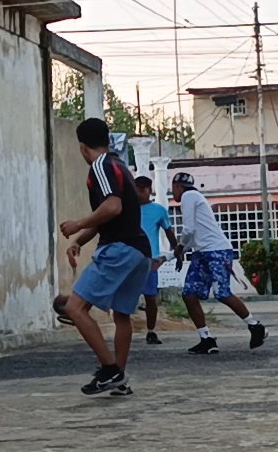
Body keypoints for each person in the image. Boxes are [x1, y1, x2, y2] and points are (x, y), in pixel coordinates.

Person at [58, 117, 148, 396]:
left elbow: (112, 207)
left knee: (74, 308)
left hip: (118, 249)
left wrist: (77, 224)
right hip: (139, 250)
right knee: (122, 315)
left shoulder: (100, 166)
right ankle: (119, 381)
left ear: (83, 147)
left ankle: (110, 369)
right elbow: (108, 216)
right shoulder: (119, 165)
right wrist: (81, 241)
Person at [170, 171, 267, 354]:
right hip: (202, 252)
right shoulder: (195, 197)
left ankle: (255, 326)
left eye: (173, 189)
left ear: (177, 187)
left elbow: (188, 229)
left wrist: (179, 247)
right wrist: (175, 253)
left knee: (222, 293)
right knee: (189, 294)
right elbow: (193, 235)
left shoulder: (189, 196)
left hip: (216, 250)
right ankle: (206, 338)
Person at [135, 175, 172, 346]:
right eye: (137, 189)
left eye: (143, 189)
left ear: (150, 191)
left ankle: (151, 331)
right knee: (124, 295)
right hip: (130, 258)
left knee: (151, 297)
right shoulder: (128, 210)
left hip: (150, 260)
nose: (140, 193)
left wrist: (175, 253)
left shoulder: (159, 210)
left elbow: (170, 234)